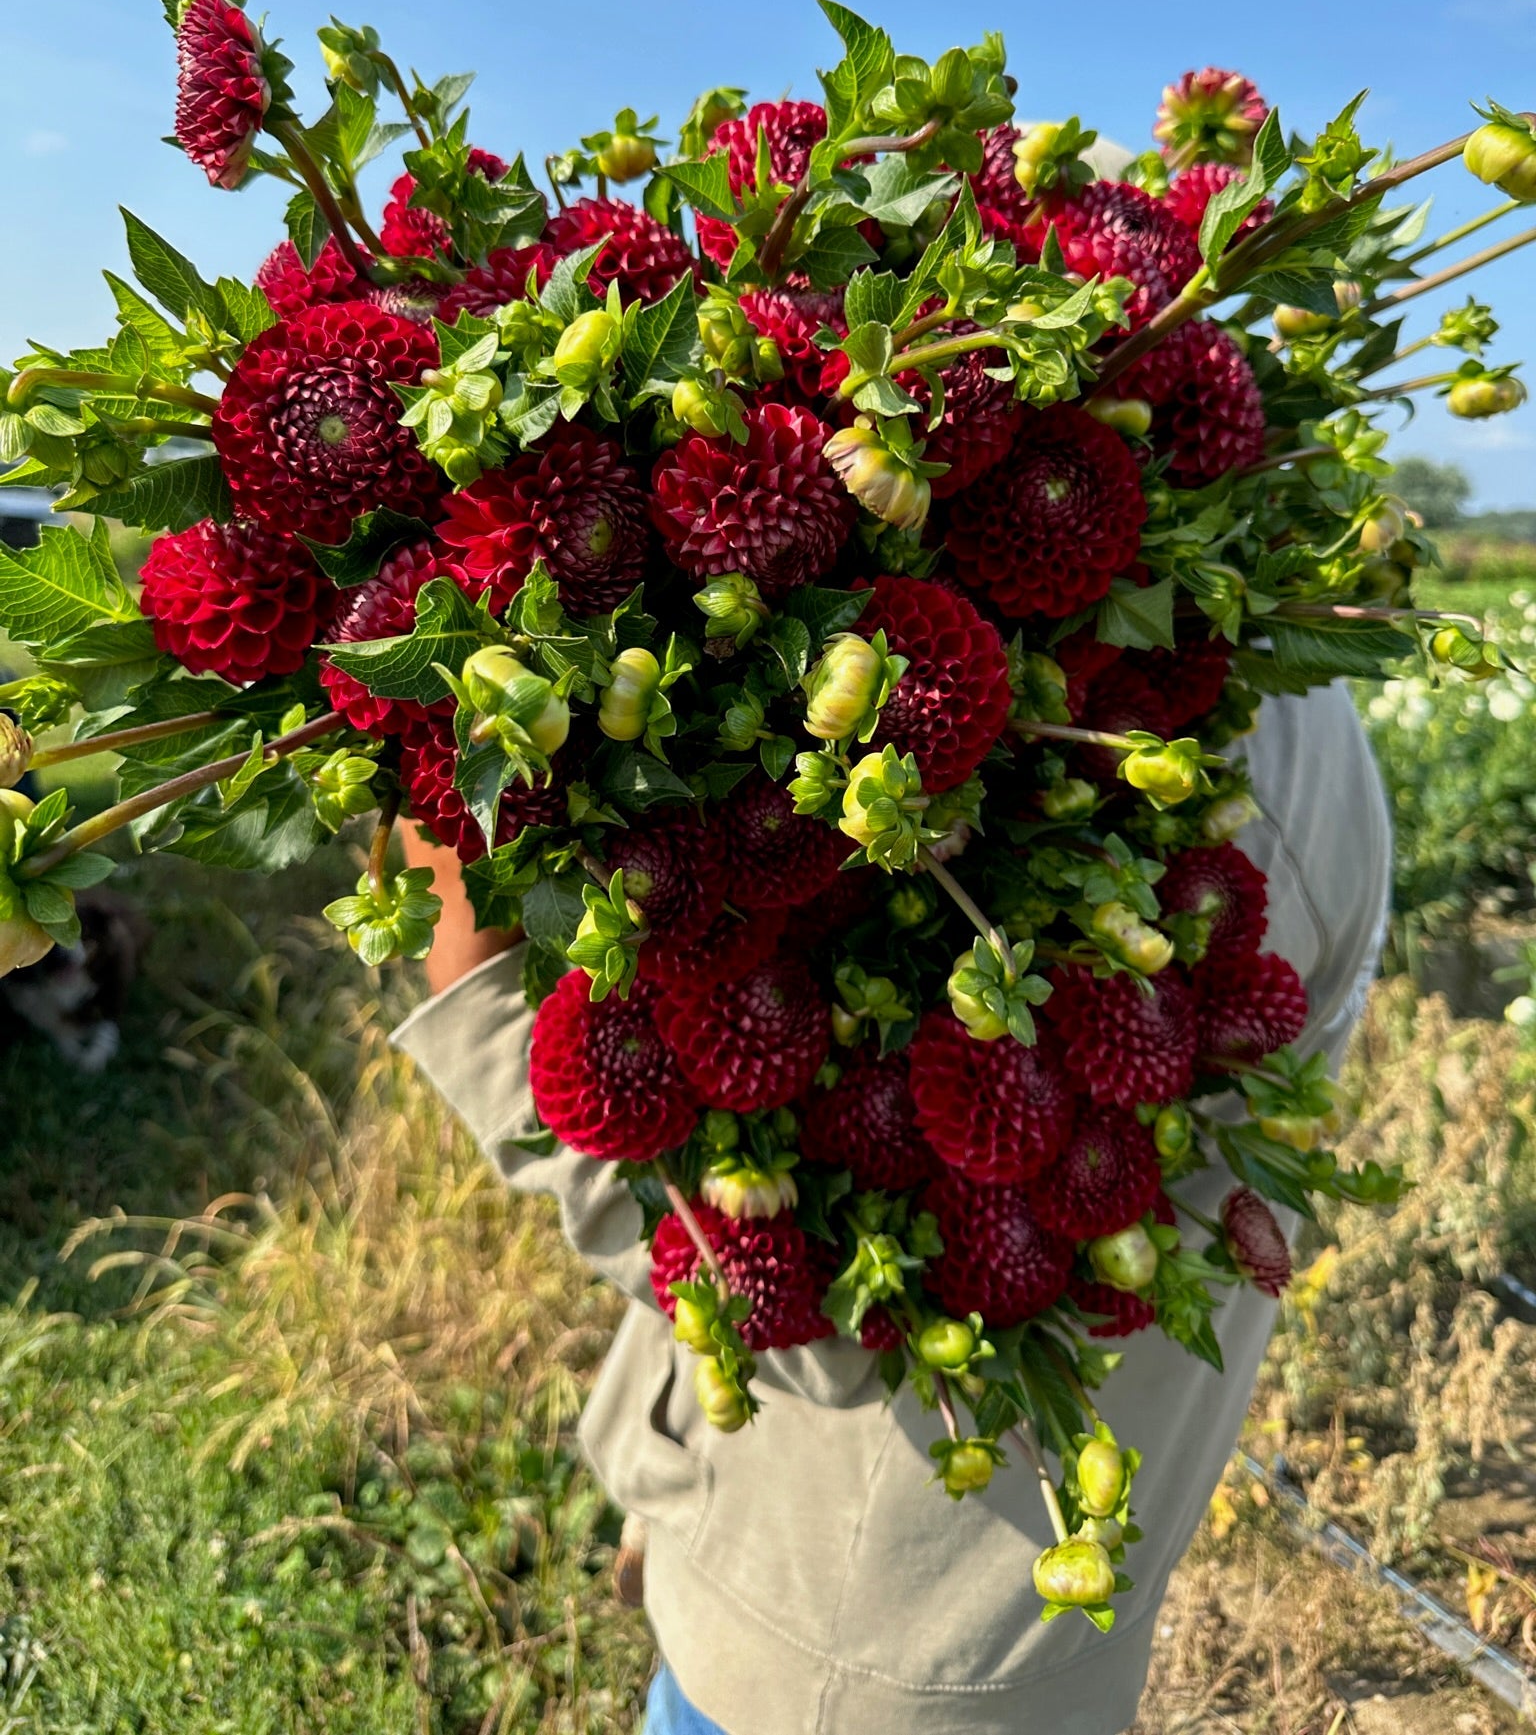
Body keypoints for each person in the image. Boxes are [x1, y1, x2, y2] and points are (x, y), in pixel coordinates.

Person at [393, 678, 1390, 1735]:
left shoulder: (1051, 772)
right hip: (1012, 1645)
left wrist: (472, 917)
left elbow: (810, 1310)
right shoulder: (1316, 727)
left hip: (840, 1650)